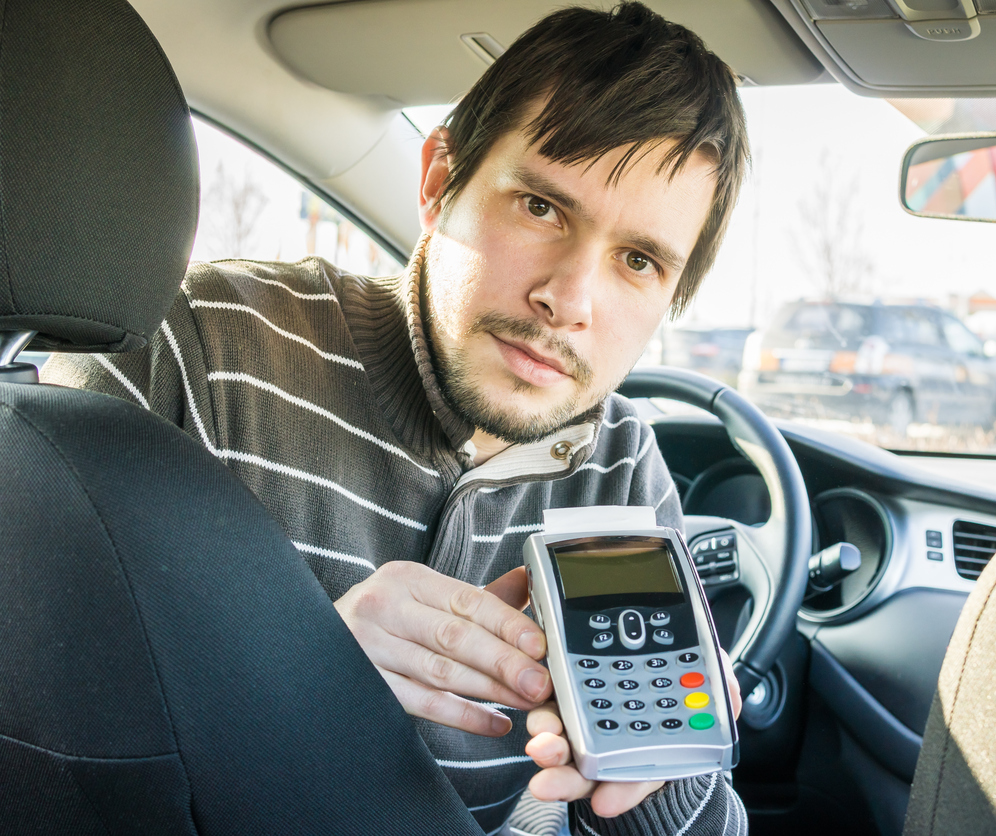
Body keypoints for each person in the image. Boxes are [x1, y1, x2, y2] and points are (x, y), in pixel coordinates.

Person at [43, 3, 749, 835]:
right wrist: (296, 677)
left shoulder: (621, 460)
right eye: (540, 208)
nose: (568, 302)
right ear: (436, 182)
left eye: (638, 260)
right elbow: (41, 734)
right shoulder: (196, 350)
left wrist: (654, 770)